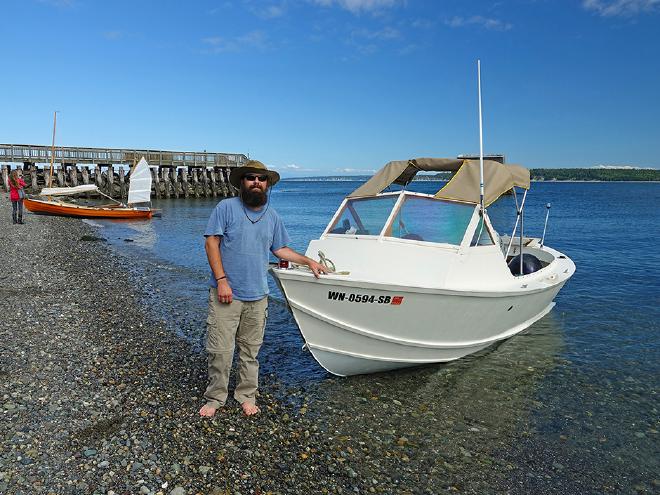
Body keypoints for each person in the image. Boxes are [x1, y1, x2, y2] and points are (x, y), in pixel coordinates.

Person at [200, 160, 329, 417]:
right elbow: (211, 244)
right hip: (226, 292)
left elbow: (279, 249)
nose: (256, 182)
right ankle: (215, 398)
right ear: (242, 182)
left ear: (267, 184)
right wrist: (222, 279)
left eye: (261, 178)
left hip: (258, 296)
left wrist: (309, 261)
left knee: (250, 350)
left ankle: (246, 395)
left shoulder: (272, 216)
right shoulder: (225, 208)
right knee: (220, 351)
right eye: (251, 177)